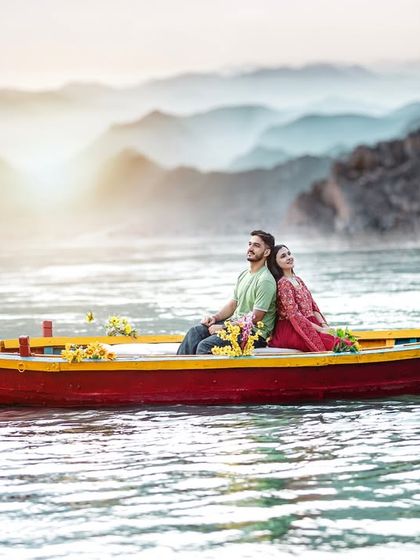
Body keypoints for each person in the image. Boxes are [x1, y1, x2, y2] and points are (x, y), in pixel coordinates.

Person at [177, 230, 277, 355]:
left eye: (256, 246)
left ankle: (202, 375)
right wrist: (214, 318)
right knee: (195, 332)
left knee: (205, 346)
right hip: (235, 327)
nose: (250, 248)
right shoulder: (244, 274)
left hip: (254, 334)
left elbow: (256, 318)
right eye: (250, 244)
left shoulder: (265, 280)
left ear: (266, 252)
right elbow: (233, 305)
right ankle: (180, 372)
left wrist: (223, 327)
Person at [267, 244, 336, 352]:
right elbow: (294, 315)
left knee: (338, 338)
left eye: (289, 253)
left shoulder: (298, 279)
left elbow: (313, 306)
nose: (289, 257)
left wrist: (324, 325)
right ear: (275, 263)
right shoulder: (283, 284)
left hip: (311, 324)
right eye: (283, 256)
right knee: (334, 344)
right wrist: (321, 330)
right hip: (293, 329)